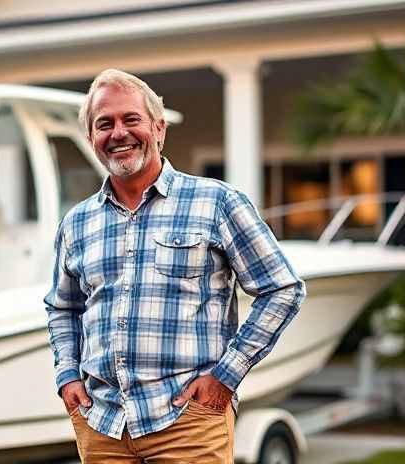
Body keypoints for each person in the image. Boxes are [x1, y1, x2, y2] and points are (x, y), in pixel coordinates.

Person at [44, 69, 306, 463]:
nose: (118, 133)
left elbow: (282, 288)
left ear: (159, 128)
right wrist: (67, 376)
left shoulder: (217, 202)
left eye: (131, 119)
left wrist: (225, 377)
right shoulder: (76, 222)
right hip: (102, 426)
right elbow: (63, 307)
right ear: (92, 139)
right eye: (105, 124)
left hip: (188, 422)